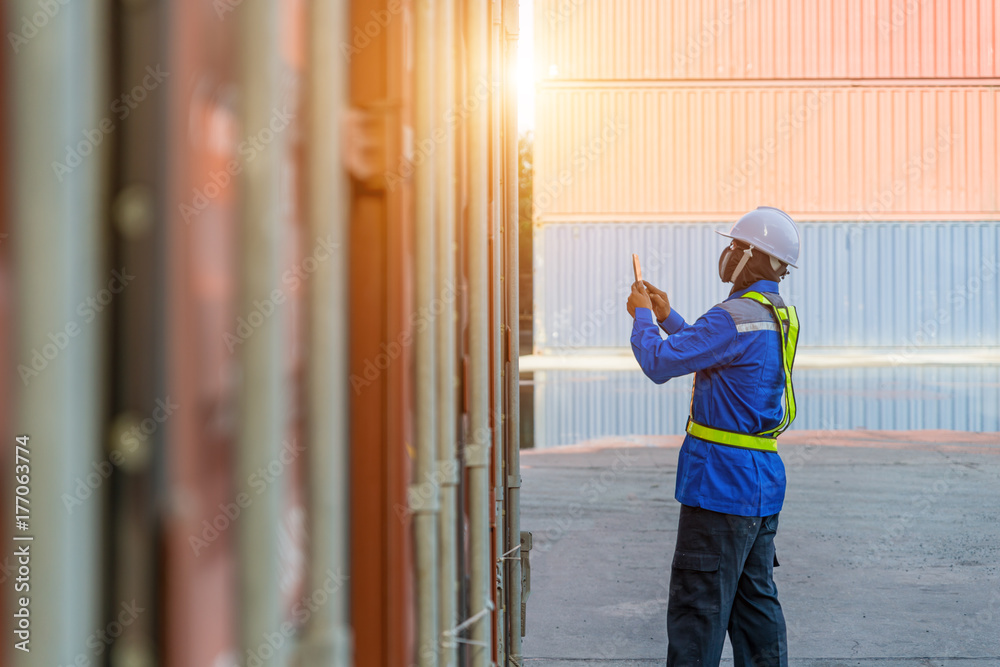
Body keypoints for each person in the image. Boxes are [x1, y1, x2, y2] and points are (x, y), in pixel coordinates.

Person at [625, 206, 802, 667]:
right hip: (760, 487)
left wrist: (643, 319)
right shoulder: (775, 314)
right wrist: (669, 317)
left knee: (697, 614)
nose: (726, 255)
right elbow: (722, 356)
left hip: (719, 489)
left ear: (751, 257)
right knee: (755, 609)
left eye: (734, 247)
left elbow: (660, 364)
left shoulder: (731, 316)